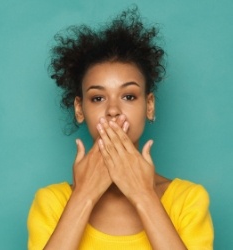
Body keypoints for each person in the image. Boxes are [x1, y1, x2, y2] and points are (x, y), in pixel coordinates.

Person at [27, 7, 213, 250]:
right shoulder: (52, 202)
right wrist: (84, 195)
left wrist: (143, 194)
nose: (113, 110)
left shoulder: (188, 200)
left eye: (128, 96)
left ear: (149, 105)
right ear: (79, 109)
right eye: (97, 98)